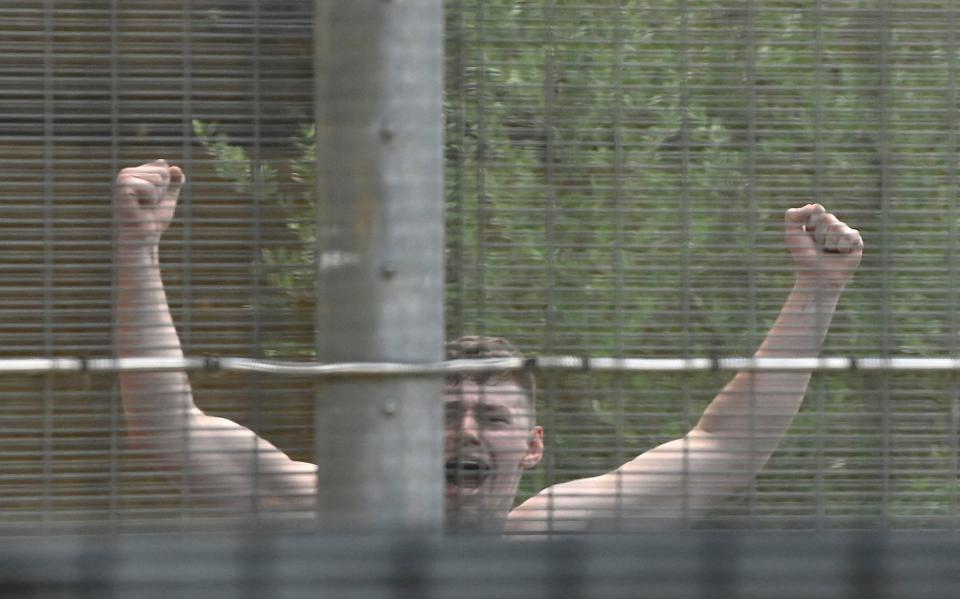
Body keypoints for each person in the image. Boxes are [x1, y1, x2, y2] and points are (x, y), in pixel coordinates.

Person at [115, 159, 863, 534]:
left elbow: (726, 446)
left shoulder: (557, 532)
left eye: (494, 417)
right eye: (443, 412)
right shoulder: (328, 512)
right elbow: (166, 428)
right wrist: (138, 247)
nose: (467, 430)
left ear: (533, 444)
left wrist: (819, 290)